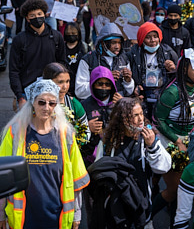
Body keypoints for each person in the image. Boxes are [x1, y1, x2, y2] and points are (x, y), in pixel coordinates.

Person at [0, 79, 90, 229]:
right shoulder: (15, 133)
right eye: (41, 102)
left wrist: (77, 213)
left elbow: (76, 178)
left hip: (57, 217)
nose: (46, 108)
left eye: (52, 103)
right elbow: (3, 178)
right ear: (32, 103)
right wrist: (0, 213)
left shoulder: (66, 135)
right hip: (24, 217)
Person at [99, 97, 171, 227]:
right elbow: (99, 170)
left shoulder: (147, 138)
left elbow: (164, 167)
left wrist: (152, 146)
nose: (141, 119)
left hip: (141, 204)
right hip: (117, 206)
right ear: (123, 118)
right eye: (135, 115)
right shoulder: (108, 142)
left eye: (141, 114)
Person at [153, 49, 194, 219]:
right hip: (170, 143)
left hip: (187, 143)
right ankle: (145, 217)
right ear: (184, 69)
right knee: (174, 190)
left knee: (184, 189)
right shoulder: (172, 92)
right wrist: (177, 141)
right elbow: (158, 119)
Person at [9, 0, 66, 108]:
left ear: (45, 14)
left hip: (52, 92)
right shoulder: (19, 40)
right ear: (27, 18)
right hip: (27, 94)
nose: (37, 18)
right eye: (32, 15)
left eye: (39, 14)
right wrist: (19, 96)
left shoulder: (56, 37)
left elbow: (62, 63)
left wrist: (62, 91)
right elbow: (14, 71)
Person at [127, 22, 178, 120]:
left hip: (163, 97)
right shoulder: (133, 53)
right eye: (148, 37)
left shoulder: (168, 52)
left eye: (155, 36)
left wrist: (173, 69)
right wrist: (135, 86)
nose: (153, 40)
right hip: (142, 98)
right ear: (142, 39)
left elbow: (179, 74)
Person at [75, 23, 134, 99]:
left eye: (119, 43)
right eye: (113, 43)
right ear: (103, 43)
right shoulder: (88, 60)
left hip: (117, 105)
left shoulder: (124, 59)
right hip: (96, 107)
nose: (117, 47)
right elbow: (79, 91)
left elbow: (129, 92)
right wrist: (104, 79)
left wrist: (128, 81)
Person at [81, 66, 123, 166]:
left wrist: (123, 105)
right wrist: (87, 127)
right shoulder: (84, 105)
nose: (104, 87)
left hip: (115, 152)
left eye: (107, 84)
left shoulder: (119, 101)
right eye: (100, 84)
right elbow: (75, 131)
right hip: (90, 155)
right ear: (93, 84)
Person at [43, 62, 90, 144]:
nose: (65, 87)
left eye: (67, 81)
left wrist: (73, 145)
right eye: (60, 82)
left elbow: (86, 132)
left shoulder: (74, 104)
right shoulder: (38, 105)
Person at [64, 22, 87, 96]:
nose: (70, 35)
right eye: (68, 33)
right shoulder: (60, 48)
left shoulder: (84, 47)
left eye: (73, 32)